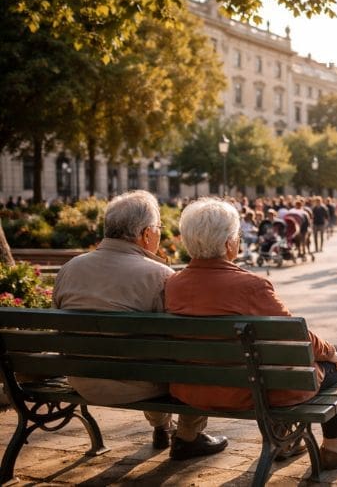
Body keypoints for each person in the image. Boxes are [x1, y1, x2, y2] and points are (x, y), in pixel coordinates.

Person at [166, 198, 337, 470]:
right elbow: (296, 336)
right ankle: (335, 448)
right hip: (247, 393)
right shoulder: (251, 285)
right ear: (229, 244)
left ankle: (285, 438)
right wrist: (329, 351)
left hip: (190, 390)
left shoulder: (173, 284)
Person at [52, 190, 226, 460]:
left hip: (83, 380)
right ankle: (188, 435)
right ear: (146, 234)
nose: (159, 234)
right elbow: (180, 343)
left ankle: (161, 427)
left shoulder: (70, 268)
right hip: (137, 384)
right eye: (158, 228)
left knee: (148, 354)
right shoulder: (159, 275)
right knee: (194, 355)